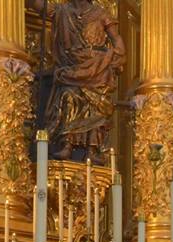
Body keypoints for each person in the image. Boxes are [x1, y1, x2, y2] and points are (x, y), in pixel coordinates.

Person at [34, 0, 125, 161]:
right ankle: (67, 143)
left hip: (97, 67)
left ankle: (92, 149)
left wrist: (116, 55)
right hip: (72, 67)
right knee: (68, 96)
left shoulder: (101, 14)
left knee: (97, 104)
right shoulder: (63, 11)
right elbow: (39, 6)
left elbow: (117, 39)